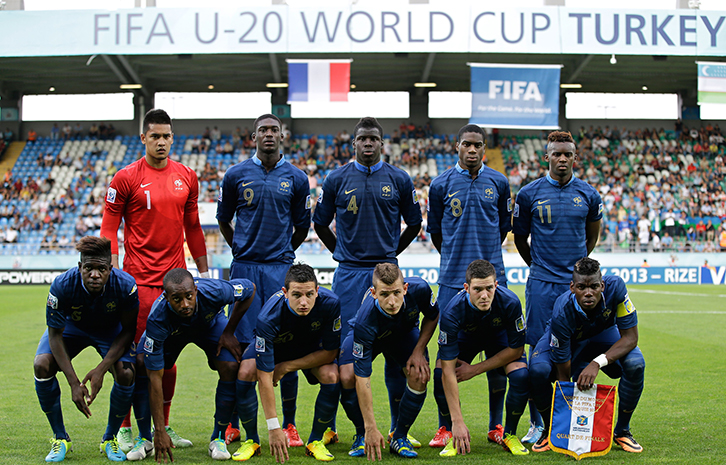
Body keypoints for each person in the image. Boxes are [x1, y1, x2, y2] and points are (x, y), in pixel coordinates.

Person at [100, 108, 210, 451]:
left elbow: (193, 226)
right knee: (133, 359)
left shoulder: (187, 176)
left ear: (172, 139)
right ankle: (125, 427)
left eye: (167, 136)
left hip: (174, 285)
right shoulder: (125, 177)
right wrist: (114, 272)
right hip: (137, 283)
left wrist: (204, 274)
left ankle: (163, 424)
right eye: (155, 136)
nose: (161, 142)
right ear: (143, 138)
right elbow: (109, 227)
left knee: (168, 357)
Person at [313, 116, 423, 443]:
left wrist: (391, 254)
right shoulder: (336, 178)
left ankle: (395, 430)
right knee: (346, 353)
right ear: (353, 144)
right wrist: (341, 252)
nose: (368, 143)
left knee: (393, 348)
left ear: (382, 143)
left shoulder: (399, 179)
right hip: (349, 275)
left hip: (386, 273)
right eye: (362, 139)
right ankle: (355, 431)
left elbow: (414, 224)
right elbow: (320, 223)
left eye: (374, 138)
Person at [216, 113, 311, 447]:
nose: (268, 134)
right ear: (253, 137)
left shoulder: (298, 178)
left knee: (284, 346)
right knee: (239, 347)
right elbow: (224, 219)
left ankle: (288, 424)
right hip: (244, 268)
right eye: (263, 130)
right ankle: (233, 425)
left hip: (279, 270)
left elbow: (302, 225)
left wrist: (282, 252)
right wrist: (241, 249)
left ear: (282, 135)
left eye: (274, 130)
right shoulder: (235, 175)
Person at [513, 130, 602, 444]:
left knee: (572, 354)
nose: (562, 159)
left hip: (576, 289)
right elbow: (520, 239)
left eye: (567, 154)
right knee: (538, 356)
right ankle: (539, 424)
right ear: (546, 156)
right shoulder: (528, 194)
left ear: (575, 157)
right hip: (541, 286)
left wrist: (577, 273)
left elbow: (591, 239)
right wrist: (538, 267)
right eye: (556, 154)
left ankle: (573, 423)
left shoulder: (589, 195)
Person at [426, 124, 512, 447]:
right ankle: (445, 426)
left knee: (497, 355)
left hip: (493, 283)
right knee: (444, 362)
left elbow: (503, 229)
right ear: (457, 147)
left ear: (484, 148)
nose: (472, 150)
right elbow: (436, 233)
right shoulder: (440, 184)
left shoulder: (499, 182)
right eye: (467, 145)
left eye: (477, 145)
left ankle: (496, 425)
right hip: (452, 282)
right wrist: (455, 259)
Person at [222, 264, 342, 462]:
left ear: (317, 291)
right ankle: (252, 440)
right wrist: (273, 427)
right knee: (245, 372)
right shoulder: (268, 317)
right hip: (277, 349)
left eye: (309, 294)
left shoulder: (331, 303)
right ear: (285, 292)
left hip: (310, 350)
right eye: (296, 295)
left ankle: (315, 441)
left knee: (331, 375)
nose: (304, 302)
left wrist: (287, 367)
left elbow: (330, 353)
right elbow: (264, 375)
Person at [33, 236, 138, 462]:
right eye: (88, 268)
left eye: (101, 269)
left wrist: (101, 369)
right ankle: (60, 438)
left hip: (111, 330)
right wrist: (73, 383)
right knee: (41, 365)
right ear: (80, 267)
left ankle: (109, 439)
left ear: (110, 268)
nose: (94, 274)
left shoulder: (126, 285)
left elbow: (129, 331)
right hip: (73, 328)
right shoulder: (62, 285)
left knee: (126, 373)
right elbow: (55, 335)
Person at [134, 269, 255, 462]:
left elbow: (250, 289)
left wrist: (229, 331)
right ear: (165, 297)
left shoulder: (215, 290)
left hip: (210, 325)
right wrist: (159, 430)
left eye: (189, 296)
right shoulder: (157, 318)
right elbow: (155, 377)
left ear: (196, 291)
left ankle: (218, 437)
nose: (185, 304)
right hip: (173, 334)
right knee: (141, 363)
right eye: (177, 299)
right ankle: (145, 438)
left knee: (231, 365)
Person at [529, 257, 645, 454]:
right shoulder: (561, 311)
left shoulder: (616, 287)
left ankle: (622, 431)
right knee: (538, 370)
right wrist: (569, 425)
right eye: (582, 287)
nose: (588, 293)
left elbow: (631, 338)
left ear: (603, 285)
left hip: (603, 337)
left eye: (594, 286)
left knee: (635, 364)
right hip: (570, 341)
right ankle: (551, 431)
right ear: (572, 287)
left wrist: (596, 363)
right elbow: (563, 375)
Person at [338, 263, 439, 459]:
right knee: (347, 375)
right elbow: (363, 377)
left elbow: (433, 316)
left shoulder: (421, 289)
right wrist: (371, 427)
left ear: (405, 289)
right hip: (372, 338)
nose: (392, 301)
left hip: (404, 334)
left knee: (419, 374)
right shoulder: (364, 322)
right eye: (384, 294)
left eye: (397, 293)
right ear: (373, 293)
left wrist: (418, 350)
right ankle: (362, 434)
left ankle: (399, 436)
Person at [434, 260, 530, 457]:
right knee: (439, 374)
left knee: (521, 375)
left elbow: (517, 349)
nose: (485, 295)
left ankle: (508, 434)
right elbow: (448, 369)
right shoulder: (452, 312)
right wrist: (458, 421)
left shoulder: (510, 302)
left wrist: (475, 369)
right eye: (478, 289)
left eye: (489, 288)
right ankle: (451, 432)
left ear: (496, 285)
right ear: (467, 288)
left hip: (499, 339)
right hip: (466, 339)